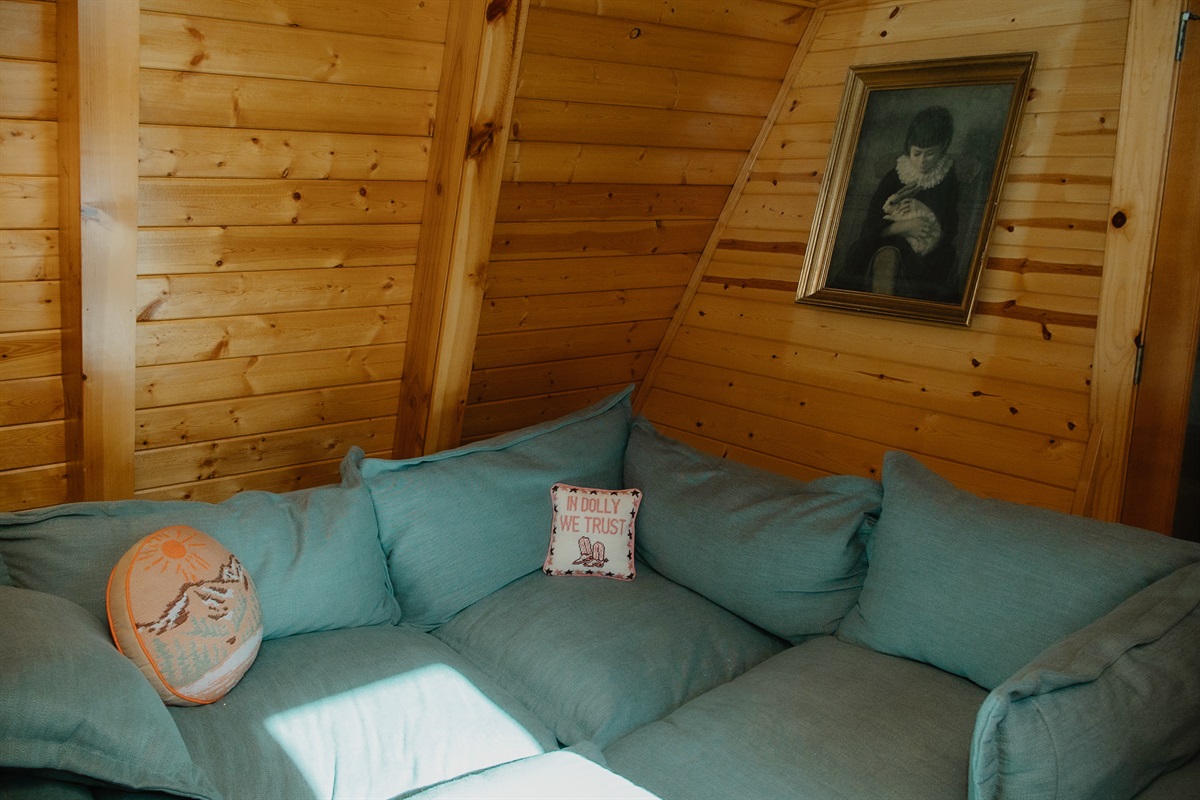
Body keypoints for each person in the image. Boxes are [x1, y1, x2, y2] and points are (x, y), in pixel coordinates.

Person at [836, 105, 961, 302]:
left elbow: (949, 227)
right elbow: (870, 226)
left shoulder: (947, 178)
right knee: (885, 255)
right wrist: (903, 227)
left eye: (930, 154)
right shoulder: (895, 175)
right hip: (886, 239)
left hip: (929, 254)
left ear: (944, 146)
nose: (922, 161)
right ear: (908, 147)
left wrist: (927, 229)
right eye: (917, 153)